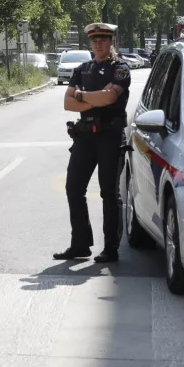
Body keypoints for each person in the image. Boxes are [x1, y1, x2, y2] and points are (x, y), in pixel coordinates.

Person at [55, 23, 132, 263]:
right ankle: (80, 244)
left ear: (111, 42)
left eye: (103, 40)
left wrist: (81, 96)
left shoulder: (120, 69)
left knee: (109, 193)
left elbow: (111, 97)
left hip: (110, 135)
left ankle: (110, 248)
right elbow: (68, 103)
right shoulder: (82, 69)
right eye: (95, 41)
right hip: (85, 135)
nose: (98, 45)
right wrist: (93, 99)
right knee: (73, 188)